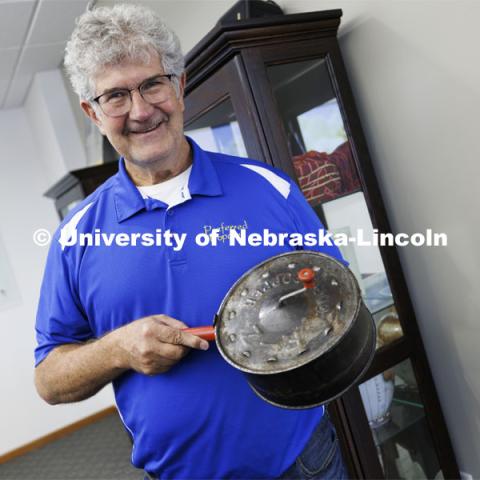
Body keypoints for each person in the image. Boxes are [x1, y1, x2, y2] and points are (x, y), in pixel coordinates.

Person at [34, 4, 348, 479]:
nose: (141, 111)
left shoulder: (269, 187)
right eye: (115, 95)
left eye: (152, 84)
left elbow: (336, 293)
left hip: (305, 461)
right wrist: (116, 348)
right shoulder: (75, 237)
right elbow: (49, 380)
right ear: (93, 113)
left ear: (179, 87)